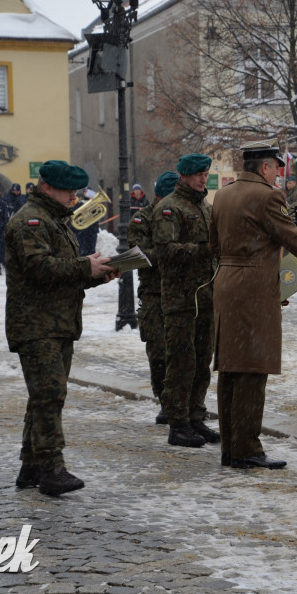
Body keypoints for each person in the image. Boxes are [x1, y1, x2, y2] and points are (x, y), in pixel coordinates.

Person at [211, 142, 297, 469]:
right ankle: (247, 449)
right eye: (275, 168)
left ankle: (231, 447)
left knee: (230, 368)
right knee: (252, 368)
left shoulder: (223, 195)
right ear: (264, 167)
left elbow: (213, 245)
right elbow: (293, 238)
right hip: (253, 288)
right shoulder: (267, 196)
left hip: (226, 282)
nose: (277, 174)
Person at [6, 160, 119, 496]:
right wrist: (85, 266)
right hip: (36, 324)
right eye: (69, 191)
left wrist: (96, 273)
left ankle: (31, 466)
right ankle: (52, 468)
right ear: (48, 188)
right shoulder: (31, 221)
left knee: (42, 397)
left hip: (56, 323)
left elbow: (65, 277)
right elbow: (39, 268)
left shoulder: (55, 221)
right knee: (49, 396)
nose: (74, 197)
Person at [152, 154, 221, 448]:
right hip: (180, 299)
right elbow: (166, 251)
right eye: (197, 175)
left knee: (202, 361)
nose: (203, 179)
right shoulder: (169, 208)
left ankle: (195, 416)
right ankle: (177, 422)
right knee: (181, 362)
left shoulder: (204, 207)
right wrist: (206, 250)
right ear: (183, 176)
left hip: (205, 297)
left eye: (205, 174)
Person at [127, 171, 178, 424]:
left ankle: (186, 404)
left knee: (184, 353)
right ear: (159, 196)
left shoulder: (181, 214)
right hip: (154, 295)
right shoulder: (142, 219)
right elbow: (138, 255)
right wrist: (174, 254)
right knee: (159, 354)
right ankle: (165, 401)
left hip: (182, 294)